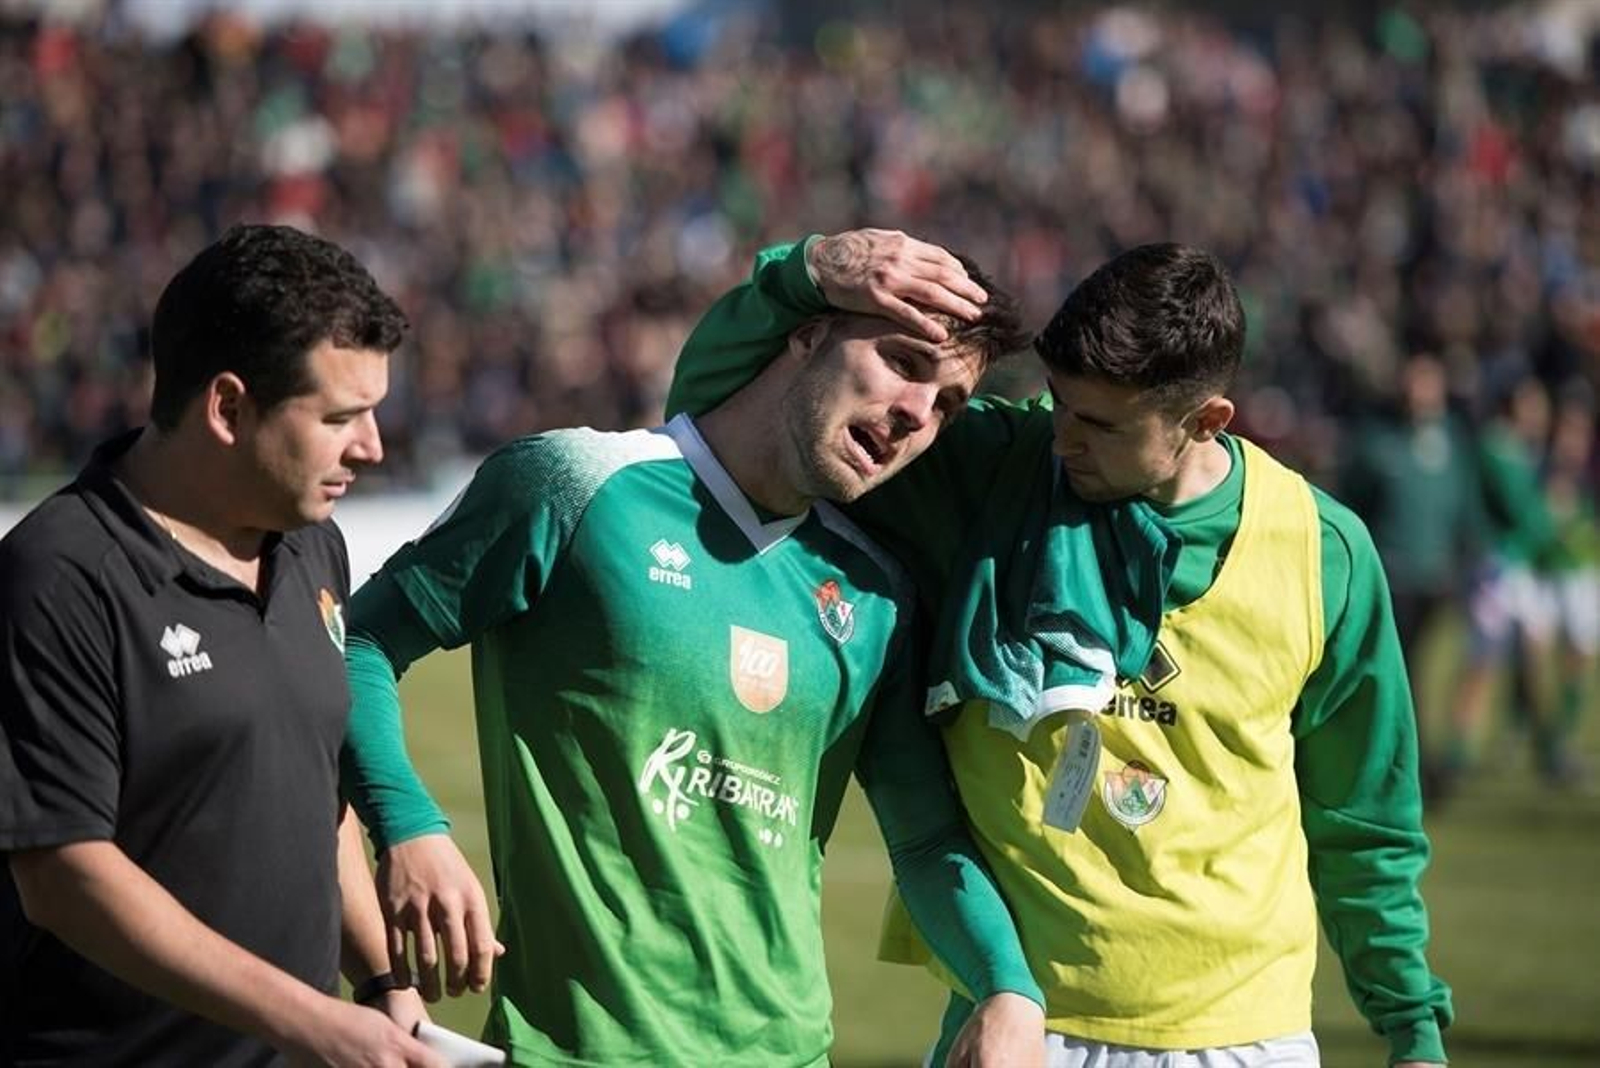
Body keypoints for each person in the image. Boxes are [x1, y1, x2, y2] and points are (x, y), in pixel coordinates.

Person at [665, 231, 1454, 1067]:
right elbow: (721, 411)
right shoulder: (990, 471)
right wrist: (801, 273)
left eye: (1101, 424)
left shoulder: (1321, 549)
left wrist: (1412, 1028)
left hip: (1247, 1036)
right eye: (1061, 404)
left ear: (1205, 420)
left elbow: (1364, 819)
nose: (1065, 438)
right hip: (1023, 1027)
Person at [337, 237, 1112, 1064]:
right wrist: (410, 827)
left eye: (950, 404)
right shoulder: (576, 486)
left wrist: (1008, 988)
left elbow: (924, 840)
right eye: (901, 358)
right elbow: (358, 641)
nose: (919, 412)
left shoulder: (876, 595)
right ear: (805, 335)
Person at [0, 224, 444, 1067]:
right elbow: (63, 874)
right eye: (342, 416)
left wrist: (384, 982)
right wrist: (307, 1020)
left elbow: (318, 800)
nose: (374, 447)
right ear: (229, 407)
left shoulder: (314, 545)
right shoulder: (61, 574)